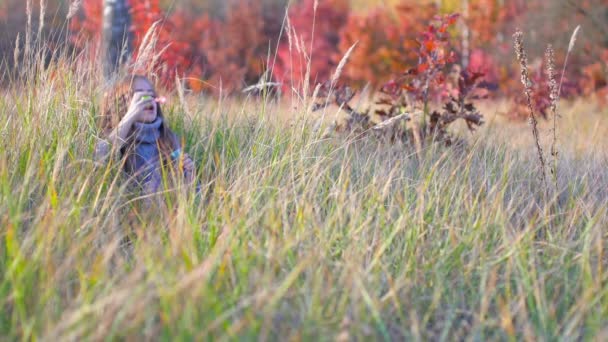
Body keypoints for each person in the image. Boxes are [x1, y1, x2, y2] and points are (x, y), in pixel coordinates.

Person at [95, 74, 196, 197]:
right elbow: (99, 159)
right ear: (122, 102)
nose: (149, 100)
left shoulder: (169, 139)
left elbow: (193, 198)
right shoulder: (116, 138)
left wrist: (189, 177)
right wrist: (131, 115)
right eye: (140, 96)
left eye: (151, 95)